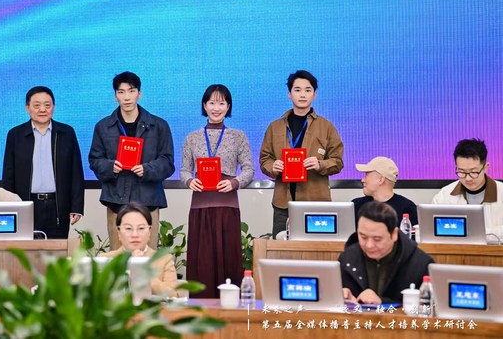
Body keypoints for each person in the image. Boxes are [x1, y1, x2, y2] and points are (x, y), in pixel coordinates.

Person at [180, 84, 254, 298]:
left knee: (228, 259)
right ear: (204, 105)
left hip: (227, 206)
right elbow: (184, 170)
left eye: (221, 103)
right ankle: (200, 309)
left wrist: (235, 182)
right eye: (212, 102)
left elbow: (249, 169)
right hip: (200, 207)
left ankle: (230, 308)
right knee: (201, 262)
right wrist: (189, 181)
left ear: (228, 106)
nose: (216, 108)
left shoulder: (238, 136)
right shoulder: (192, 138)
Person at [89, 72, 175, 250]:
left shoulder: (159, 126)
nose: (126, 97)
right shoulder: (103, 127)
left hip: (148, 202)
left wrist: (147, 169)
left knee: (148, 259)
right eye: (121, 92)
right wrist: (111, 167)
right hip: (116, 202)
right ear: (115, 96)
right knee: (118, 258)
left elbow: (168, 162)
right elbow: (95, 160)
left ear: (139, 94)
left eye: (131, 91)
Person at [260, 70, 344, 236]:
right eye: (297, 90)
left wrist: (320, 164)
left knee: (316, 248)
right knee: (281, 247)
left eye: (308, 90)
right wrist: (272, 166)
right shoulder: (275, 127)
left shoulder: (326, 126)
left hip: (316, 201)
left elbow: (338, 161)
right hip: (283, 203)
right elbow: (265, 159)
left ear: (314, 94)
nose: (303, 94)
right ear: (289, 94)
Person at [3, 86, 85, 239]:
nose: (42, 109)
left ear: (53, 107)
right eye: (37, 105)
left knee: (57, 251)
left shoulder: (66, 133)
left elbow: (76, 172)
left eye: (47, 105)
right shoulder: (15, 134)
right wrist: (9, 206)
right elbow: (8, 174)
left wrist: (77, 206)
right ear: (27, 108)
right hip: (26, 205)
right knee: (25, 252)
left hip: (57, 207)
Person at [339, 201, 433, 304]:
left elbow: (430, 306)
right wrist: (342, 296)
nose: (369, 245)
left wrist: (382, 302)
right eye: (363, 237)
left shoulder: (421, 264)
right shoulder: (347, 258)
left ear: (394, 234)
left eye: (377, 239)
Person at [98, 202, 178, 297]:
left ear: (149, 231)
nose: (135, 234)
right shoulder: (105, 260)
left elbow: (174, 294)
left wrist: (142, 272)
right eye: (128, 228)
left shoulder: (164, 259)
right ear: (119, 232)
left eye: (141, 228)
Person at [432, 139, 503, 238]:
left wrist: (471, 233)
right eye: (461, 172)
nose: (468, 178)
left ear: (486, 167)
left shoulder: (501, 191)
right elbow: (434, 230)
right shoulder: (444, 195)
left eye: (473, 172)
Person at [353, 156, 418, 225]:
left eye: (366, 175)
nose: (362, 180)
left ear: (381, 180)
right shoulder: (356, 206)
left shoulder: (407, 209)